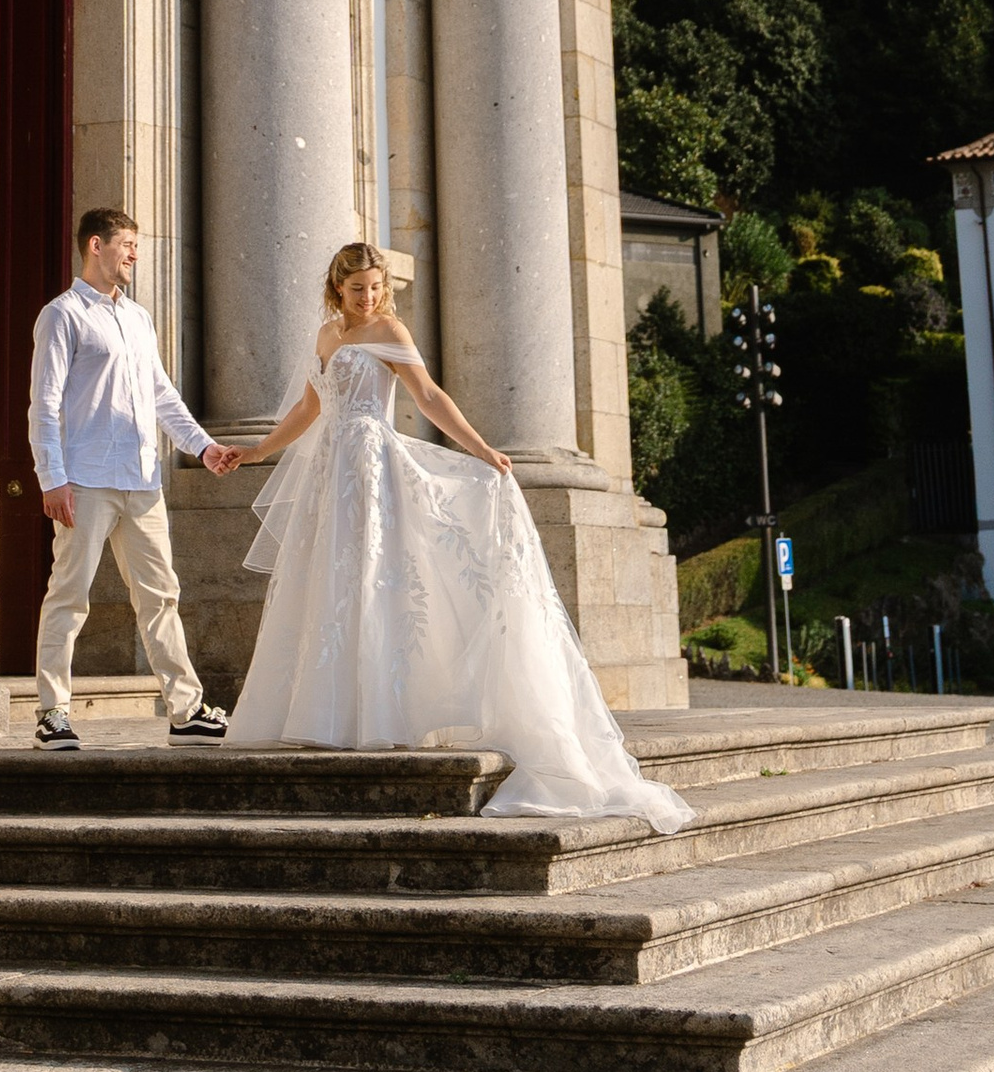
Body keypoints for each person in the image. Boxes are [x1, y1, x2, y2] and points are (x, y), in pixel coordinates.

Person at [223, 241, 694, 827]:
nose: (367, 297)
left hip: (371, 468)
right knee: (331, 584)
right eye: (357, 289)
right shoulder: (325, 335)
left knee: (377, 578)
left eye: (375, 287)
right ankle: (331, 715)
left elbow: (428, 396)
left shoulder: (391, 330)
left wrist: (481, 448)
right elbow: (307, 408)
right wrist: (256, 451)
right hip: (330, 474)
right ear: (337, 290)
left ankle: (383, 716)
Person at [29, 207, 241, 749]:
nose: (134, 253)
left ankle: (186, 711)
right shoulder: (63, 315)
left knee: (161, 596)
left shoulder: (139, 318)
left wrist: (204, 446)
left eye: (137, 245)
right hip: (85, 480)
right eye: (126, 243)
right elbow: (45, 405)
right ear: (95, 245)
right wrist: (51, 478)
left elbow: (161, 396)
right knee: (69, 595)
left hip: (143, 480)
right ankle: (53, 713)